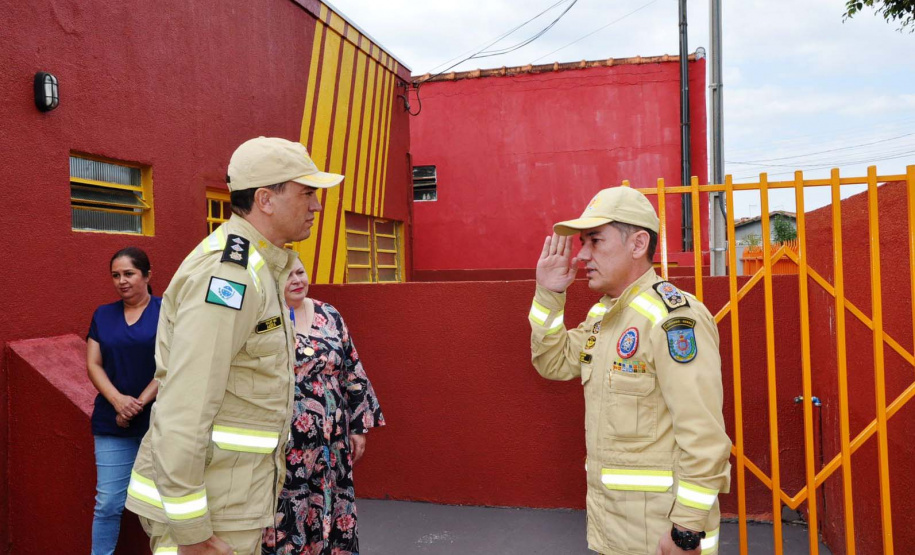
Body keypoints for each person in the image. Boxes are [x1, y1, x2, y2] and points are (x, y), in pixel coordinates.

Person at [125, 137, 343, 555]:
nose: (316, 206)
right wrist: (192, 531)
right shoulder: (231, 277)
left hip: (229, 499)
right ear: (265, 199)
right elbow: (185, 407)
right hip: (207, 514)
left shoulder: (261, 267)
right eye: (306, 193)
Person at [529, 186, 731, 555]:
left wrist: (686, 529)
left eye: (594, 241)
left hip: (662, 536)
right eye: (582, 243)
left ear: (638, 244)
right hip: (614, 530)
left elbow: (704, 437)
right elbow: (553, 362)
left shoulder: (674, 319)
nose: (581, 256)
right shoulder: (605, 314)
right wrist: (549, 294)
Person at [262, 258, 384, 555]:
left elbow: (352, 370)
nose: (296, 280)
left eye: (300, 272)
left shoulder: (329, 314)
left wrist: (358, 427)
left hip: (332, 442)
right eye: (287, 275)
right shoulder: (264, 320)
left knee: (331, 508)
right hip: (285, 445)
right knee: (289, 514)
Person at [87, 247, 161, 555]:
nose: (122, 281)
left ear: (147, 275)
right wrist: (118, 402)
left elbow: (173, 364)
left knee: (161, 504)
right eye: (115, 275)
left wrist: (138, 403)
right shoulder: (103, 314)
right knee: (107, 504)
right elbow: (93, 364)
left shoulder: (168, 311)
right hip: (112, 422)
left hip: (159, 421)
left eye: (129, 274)